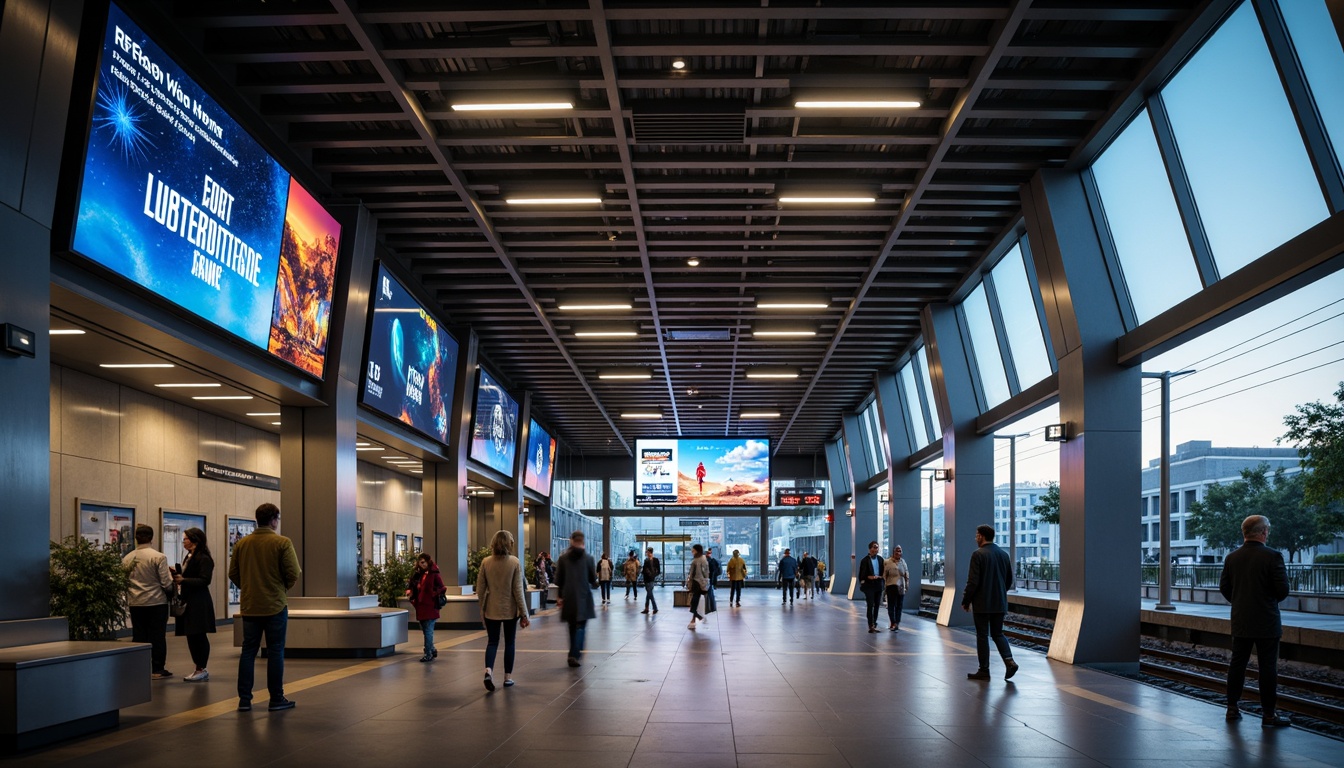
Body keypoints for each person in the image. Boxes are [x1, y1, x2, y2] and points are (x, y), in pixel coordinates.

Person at [229, 502, 302, 711]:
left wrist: (249, 587)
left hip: (250, 605)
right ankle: (276, 698)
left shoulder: (242, 544)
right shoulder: (282, 542)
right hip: (275, 606)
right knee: (275, 651)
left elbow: (232, 573)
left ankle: (244, 700)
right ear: (273, 520)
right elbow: (293, 573)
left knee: (248, 651)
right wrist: (280, 589)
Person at [1220, 514, 1291, 727]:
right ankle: (1269, 714)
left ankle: (1232, 708)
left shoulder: (1232, 557)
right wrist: (1266, 602)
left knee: (1237, 664)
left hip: (1241, 619)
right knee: (1267, 667)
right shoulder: (1273, 557)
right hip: (1267, 621)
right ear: (1264, 532)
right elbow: (1283, 590)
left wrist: (1241, 601)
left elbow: (1224, 588)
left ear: (1244, 533)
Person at [961, 524, 1018, 681]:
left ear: (981, 536)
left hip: (982, 603)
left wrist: (966, 600)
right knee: (998, 633)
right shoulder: (1004, 554)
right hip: (999, 602)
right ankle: (1009, 661)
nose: (975, 538)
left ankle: (984, 670)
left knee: (982, 635)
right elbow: (1009, 580)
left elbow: (973, 582)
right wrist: (999, 593)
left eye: (976, 535)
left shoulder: (978, 555)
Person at [476, 530, 530, 691]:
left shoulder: (486, 562)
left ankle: (488, 671)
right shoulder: (514, 562)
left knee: (492, 642)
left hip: (491, 609)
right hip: (509, 609)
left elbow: (480, 588)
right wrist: (524, 614)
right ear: (509, 544)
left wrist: (483, 608)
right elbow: (518, 590)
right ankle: (508, 677)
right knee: (509, 642)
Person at [124, 524, 174, 680]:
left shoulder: (127, 558)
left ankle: (139, 666)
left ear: (136, 538)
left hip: (135, 602)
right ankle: (158, 668)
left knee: (139, 634)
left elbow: (124, 581)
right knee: (157, 636)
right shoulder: (158, 557)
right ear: (151, 537)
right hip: (156, 602)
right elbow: (166, 582)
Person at [172, 527, 216, 682]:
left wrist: (184, 580)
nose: (183, 541)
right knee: (191, 634)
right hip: (189, 599)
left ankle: (201, 667)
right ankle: (197, 667)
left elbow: (205, 580)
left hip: (199, 601)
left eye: (185, 538)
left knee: (199, 634)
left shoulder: (204, 558)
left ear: (194, 540)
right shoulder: (189, 556)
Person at [555, 531, 598, 666]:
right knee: (581, 627)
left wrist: (560, 597)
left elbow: (559, 580)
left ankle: (572, 653)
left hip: (569, 598)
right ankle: (575, 653)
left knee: (572, 627)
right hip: (584, 598)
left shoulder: (563, 559)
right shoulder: (589, 559)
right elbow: (593, 580)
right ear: (583, 542)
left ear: (571, 541)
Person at [409, 553, 446, 662]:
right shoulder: (418, 574)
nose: (421, 564)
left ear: (428, 561)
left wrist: (433, 594)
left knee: (428, 630)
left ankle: (428, 652)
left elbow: (442, 587)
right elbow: (412, 585)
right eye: (420, 562)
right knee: (425, 630)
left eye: (423, 562)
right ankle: (432, 649)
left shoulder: (434, 573)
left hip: (430, 605)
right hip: (420, 605)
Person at [857, 540, 885, 633]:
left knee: (877, 604)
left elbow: (883, 572)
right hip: (869, 585)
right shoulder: (865, 560)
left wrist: (882, 579)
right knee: (870, 604)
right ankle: (870, 624)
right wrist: (870, 577)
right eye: (873, 547)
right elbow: (861, 575)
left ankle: (874, 623)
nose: (875, 549)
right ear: (869, 549)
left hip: (878, 584)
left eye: (876, 547)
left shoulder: (881, 560)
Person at [884, 545, 910, 632]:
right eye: (896, 551)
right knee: (891, 605)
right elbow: (884, 575)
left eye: (900, 551)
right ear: (893, 552)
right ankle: (893, 622)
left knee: (899, 606)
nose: (898, 553)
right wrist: (884, 586)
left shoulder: (903, 562)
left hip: (901, 587)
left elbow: (906, 575)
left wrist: (907, 586)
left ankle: (897, 623)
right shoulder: (887, 562)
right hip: (891, 586)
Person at [686, 544, 711, 629]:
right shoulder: (703, 559)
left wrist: (689, 584)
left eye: (693, 551)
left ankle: (698, 617)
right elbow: (706, 573)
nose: (692, 552)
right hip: (702, 583)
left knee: (693, 602)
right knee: (695, 603)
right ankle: (694, 619)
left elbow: (692, 574)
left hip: (696, 583)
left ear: (697, 551)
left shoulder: (696, 561)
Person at [640, 546, 661, 614]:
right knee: (649, 593)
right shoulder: (646, 560)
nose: (647, 554)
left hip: (651, 578)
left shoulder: (655, 560)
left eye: (647, 552)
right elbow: (644, 570)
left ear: (650, 552)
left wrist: (654, 575)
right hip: (647, 579)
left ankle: (654, 608)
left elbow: (658, 570)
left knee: (649, 593)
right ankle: (647, 608)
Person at [705, 547, 721, 614]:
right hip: (711, 580)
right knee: (710, 593)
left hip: (708, 579)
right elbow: (716, 571)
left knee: (708, 593)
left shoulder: (708, 561)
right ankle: (711, 607)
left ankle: (709, 607)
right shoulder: (713, 561)